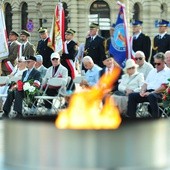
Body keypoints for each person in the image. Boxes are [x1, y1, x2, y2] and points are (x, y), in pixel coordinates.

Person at [127, 52, 170, 118]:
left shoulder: (168, 72)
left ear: (164, 62)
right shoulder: (152, 71)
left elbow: (164, 87)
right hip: (148, 92)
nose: (156, 65)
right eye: (155, 63)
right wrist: (142, 91)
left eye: (158, 64)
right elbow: (145, 84)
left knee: (152, 96)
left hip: (160, 93)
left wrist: (151, 92)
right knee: (132, 96)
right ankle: (131, 119)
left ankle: (155, 120)